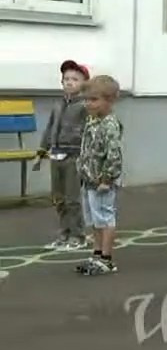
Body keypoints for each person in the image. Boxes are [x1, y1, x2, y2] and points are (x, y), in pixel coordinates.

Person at [73, 75, 125, 276]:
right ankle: (96, 254)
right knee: (94, 220)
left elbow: (114, 155)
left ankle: (107, 259)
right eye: (86, 99)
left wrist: (107, 178)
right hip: (89, 179)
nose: (88, 103)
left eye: (94, 100)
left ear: (109, 100)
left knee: (105, 218)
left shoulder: (109, 124)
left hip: (102, 181)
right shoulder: (92, 121)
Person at [37, 59, 90, 252]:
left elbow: (89, 132)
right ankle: (64, 234)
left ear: (84, 83)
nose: (69, 82)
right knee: (58, 198)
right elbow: (50, 128)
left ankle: (78, 235)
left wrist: (87, 156)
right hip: (56, 155)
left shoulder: (85, 106)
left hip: (74, 156)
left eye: (75, 79)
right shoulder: (58, 105)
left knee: (72, 199)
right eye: (66, 78)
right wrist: (41, 151)